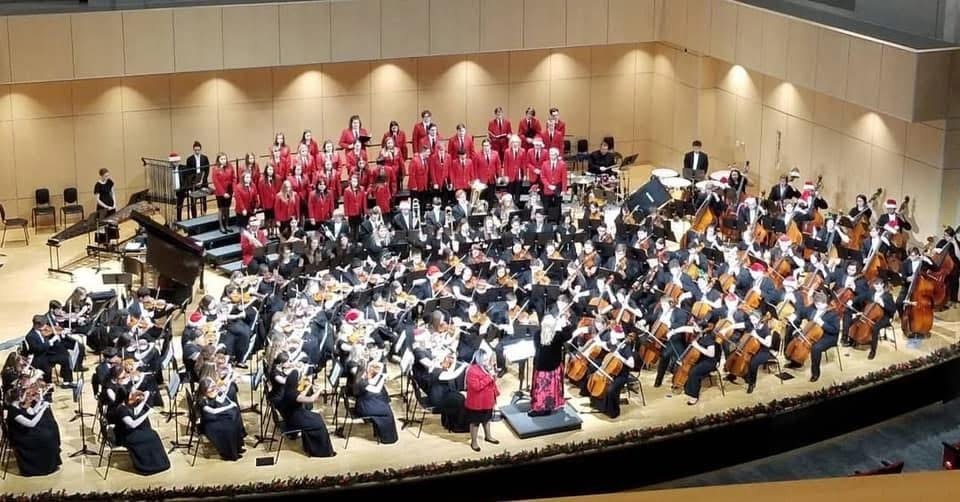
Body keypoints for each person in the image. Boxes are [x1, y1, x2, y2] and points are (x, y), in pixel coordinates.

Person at [275, 367, 336, 457]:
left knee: (317, 417)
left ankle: (309, 446)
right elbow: (311, 399)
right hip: (295, 419)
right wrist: (319, 390)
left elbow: (300, 395)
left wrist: (308, 386)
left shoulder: (289, 389)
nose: (300, 380)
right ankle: (321, 451)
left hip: (294, 415)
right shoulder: (293, 394)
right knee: (319, 424)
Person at [6, 383, 62, 476]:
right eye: (23, 395)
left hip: (25, 431)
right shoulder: (13, 411)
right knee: (47, 437)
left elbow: (32, 412)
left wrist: (40, 401)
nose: (25, 397)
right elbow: (31, 424)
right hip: (22, 438)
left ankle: (52, 462)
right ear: (18, 398)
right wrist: (43, 408)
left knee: (50, 430)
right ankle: (43, 467)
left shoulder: (18, 405)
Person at [112, 390, 171, 475]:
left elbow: (135, 411)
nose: (132, 397)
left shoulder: (125, 405)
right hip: (126, 436)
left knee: (152, 433)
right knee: (151, 437)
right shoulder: (121, 410)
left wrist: (143, 401)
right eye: (130, 395)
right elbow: (132, 424)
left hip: (129, 432)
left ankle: (158, 463)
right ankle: (147, 466)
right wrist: (147, 413)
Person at [198, 377, 246, 461]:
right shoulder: (202, 401)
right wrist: (229, 406)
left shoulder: (211, 393)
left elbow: (220, 399)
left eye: (214, 386)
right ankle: (230, 454)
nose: (214, 389)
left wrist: (226, 388)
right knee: (229, 426)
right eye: (211, 387)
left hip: (214, 418)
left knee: (235, 416)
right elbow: (213, 411)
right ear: (204, 390)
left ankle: (237, 447)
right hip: (210, 424)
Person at [353, 360, 398, 444]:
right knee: (387, 412)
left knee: (385, 405)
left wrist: (378, 374)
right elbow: (375, 389)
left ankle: (380, 433)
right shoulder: (362, 381)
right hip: (363, 407)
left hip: (363, 403)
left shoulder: (361, 375)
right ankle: (388, 439)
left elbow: (372, 383)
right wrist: (382, 377)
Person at [464, 349, 499, 452]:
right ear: (478, 359)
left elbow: (492, 382)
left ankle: (488, 436)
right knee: (475, 423)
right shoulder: (472, 370)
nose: (486, 362)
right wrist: (489, 377)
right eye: (484, 360)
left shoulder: (486, 368)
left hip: (487, 400)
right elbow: (476, 386)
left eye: (487, 359)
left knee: (487, 420)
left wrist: (494, 376)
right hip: (477, 402)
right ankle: (474, 442)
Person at [179, 140, 209, 221]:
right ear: (193, 149)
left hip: (202, 181)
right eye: (195, 150)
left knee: (204, 198)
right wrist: (193, 182)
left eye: (198, 150)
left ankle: (204, 213)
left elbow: (207, 170)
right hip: (193, 183)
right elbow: (188, 172)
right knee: (193, 200)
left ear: (200, 149)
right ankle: (194, 217)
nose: (197, 151)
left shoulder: (205, 158)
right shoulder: (189, 159)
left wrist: (203, 180)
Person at [211, 153, 236, 234]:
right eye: (221, 159)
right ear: (218, 160)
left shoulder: (230, 166)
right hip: (220, 192)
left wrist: (233, 189)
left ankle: (227, 225)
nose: (223, 160)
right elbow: (216, 182)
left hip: (229, 190)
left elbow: (234, 178)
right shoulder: (215, 169)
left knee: (227, 208)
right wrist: (223, 193)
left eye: (224, 159)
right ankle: (221, 226)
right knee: (221, 209)